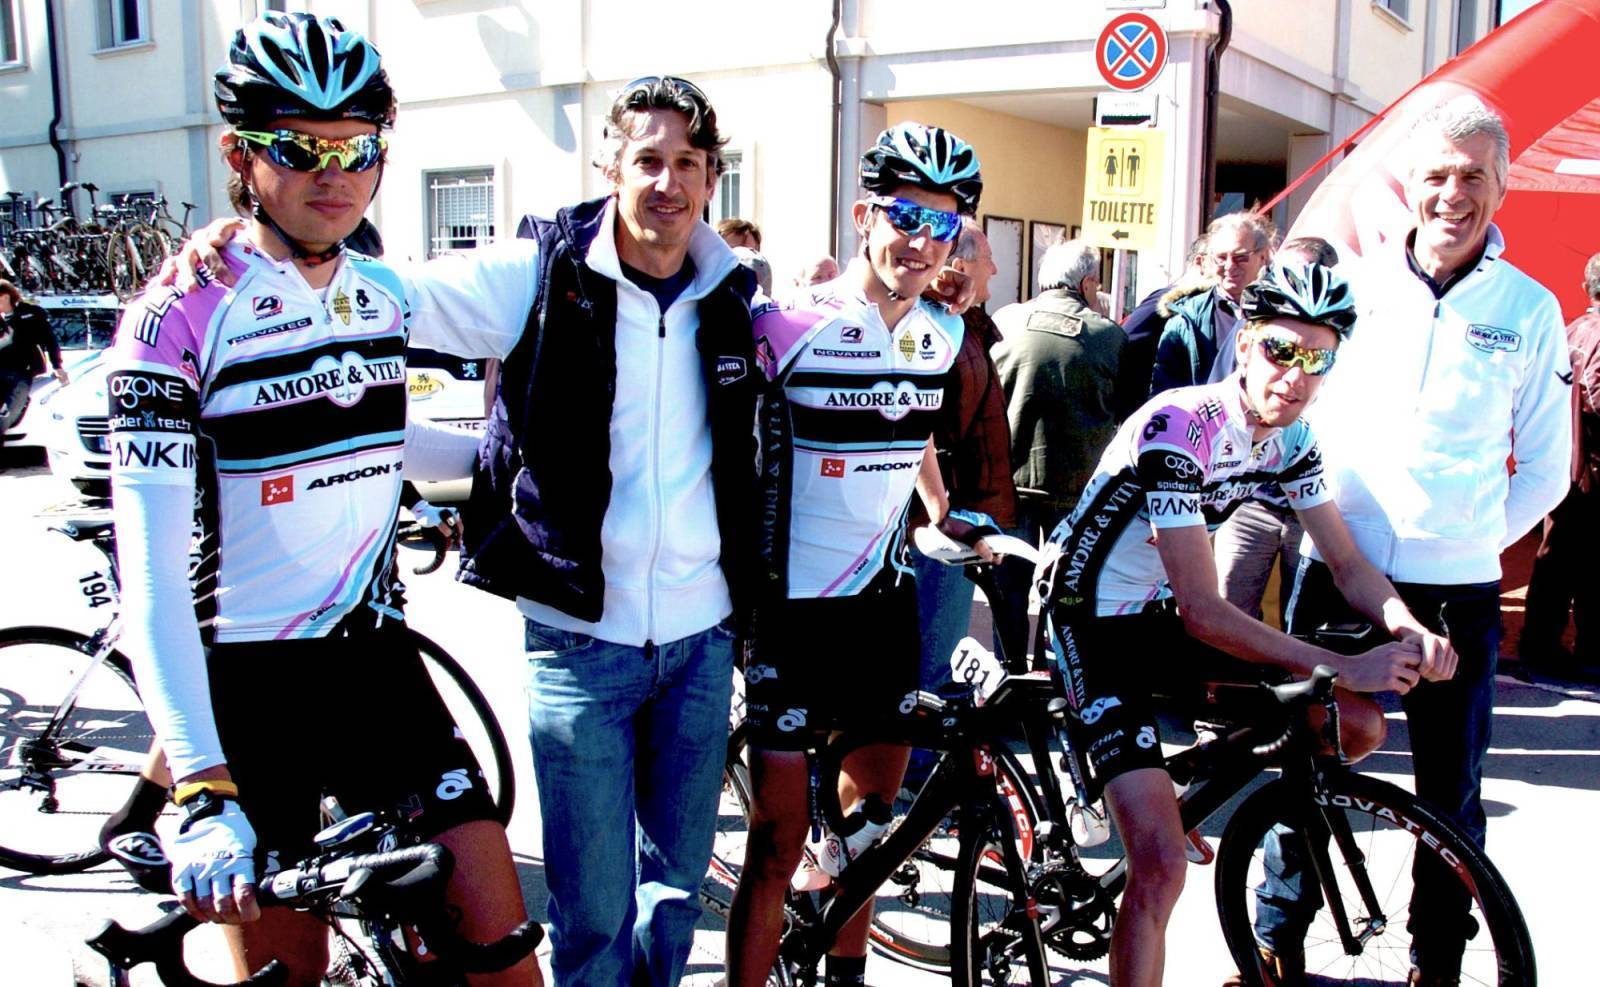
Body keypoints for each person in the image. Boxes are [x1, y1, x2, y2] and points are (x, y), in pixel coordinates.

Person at [107, 13, 535, 987]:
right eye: (300, 148)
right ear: (240, 154)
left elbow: (380, 438)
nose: (333, 174)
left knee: (507, 957)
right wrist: (199, 784)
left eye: (357, 148)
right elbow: (152, 583)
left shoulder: (382, 291)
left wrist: (512, 470)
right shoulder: (173, 320)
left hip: (373, 661)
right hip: (244, 685)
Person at [1039, 261, 1456, 987]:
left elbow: (1348, 564)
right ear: (1244, 345)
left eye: (1316, 359)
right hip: (1088, 616)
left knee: (1356, 725)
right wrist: (1338, 662)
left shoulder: (1292, 441)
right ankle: (1152, 805)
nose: (1294, 375)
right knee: (1160, 867)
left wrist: (1406, 625)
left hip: (1155, 612)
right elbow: (1205, 611)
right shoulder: (1180, 426)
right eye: (1279, 350)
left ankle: (1175, 783)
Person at [1274, 97, 1571, 986]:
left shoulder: (1530, 308)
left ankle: (1436, 961)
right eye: (1437, 173)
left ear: (1502, 188)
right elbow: (1297, 423)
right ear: (1409, 184)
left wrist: (1467, 541)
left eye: (1474, 175)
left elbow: (1547, 469)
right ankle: (1274, 943)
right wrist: (1331, 530)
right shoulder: (1354, 291)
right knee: (1308, 769)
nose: (1453, 193)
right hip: (1335, 574)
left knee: (1451, 796)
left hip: (1457, 595)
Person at [725, 122, 987, 987]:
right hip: (788, 615)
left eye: (943, 223)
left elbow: (907, 421)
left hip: (881, 609)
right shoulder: (788, 323)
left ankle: (845, 976)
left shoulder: (941, 335)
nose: (922, 240)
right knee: (777, 843)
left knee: (868, 831)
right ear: (864, 214)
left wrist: (940, 506)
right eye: (906, 216)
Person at [990, 239, 1126, 641]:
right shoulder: (1108, 336)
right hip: (1076, 490)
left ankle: (1009, 666)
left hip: (1009, 481)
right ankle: (1055, 666)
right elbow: (1124, 411)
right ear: (1086, 284)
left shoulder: (1005, 321)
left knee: (1008, 588)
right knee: (1065, 589)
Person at [909, 216, 1017, 699]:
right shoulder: (934, 324)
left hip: (959, 506)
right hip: (943, 511)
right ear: (959, 266)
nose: (995, 268)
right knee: (933, 657)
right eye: (988, 258)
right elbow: (919, 423)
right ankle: (926, 740)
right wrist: (943, 508)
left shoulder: (961, 323)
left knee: (939, 645)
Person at [1211, 235, 1340, 626]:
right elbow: (1219, 407)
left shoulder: (1341, 341)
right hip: (1250, 500)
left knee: (1303, 623)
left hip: (1314, 505)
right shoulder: (1257, 333)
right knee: (1228, 614)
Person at [1520, 249, 1600, 678]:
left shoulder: (1570, 330)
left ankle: (1541, 646)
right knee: (1584, 565)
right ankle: (1586, 652)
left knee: (1556, 560)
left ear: (1586, 288)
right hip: (1591, 468)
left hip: (1562, 463)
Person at [1149, 210, 1275, 395]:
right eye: (1221, 258)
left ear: (1262, 257)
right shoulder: (1186, 320)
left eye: (1240, 257)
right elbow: (1163, 393)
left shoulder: (1282, 313)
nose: (1230, 266)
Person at [1113, 232, 1207, 422]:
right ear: (1200, 262)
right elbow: (1124, 341)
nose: (1228, 268)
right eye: (1220, 258)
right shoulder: (1168, 300)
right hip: (1151, 413)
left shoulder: (1209, 307)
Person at [0, 279, 68, 433]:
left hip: (22, 372)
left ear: (5, 297)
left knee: (9, 412)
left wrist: (57, 366)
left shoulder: (31, 314)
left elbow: (50, 340)